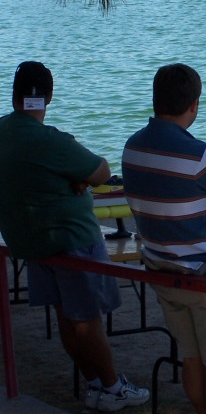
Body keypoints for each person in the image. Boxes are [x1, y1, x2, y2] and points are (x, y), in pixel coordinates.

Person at [0, 61, 149, 412]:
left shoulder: (4, 131)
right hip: (72, 239)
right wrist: (77, 179)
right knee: (86, 319)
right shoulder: (50, 141)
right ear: (49, 97)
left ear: (15, 94)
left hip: (32, 241)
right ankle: (113, 388)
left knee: (66, 316)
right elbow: (102, 172)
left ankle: (95, 383)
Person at [121, 63, 206, 414]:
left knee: (193, 357)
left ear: (156, 100)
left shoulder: (132, 148)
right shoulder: (201, 156)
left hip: (162, 270)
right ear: (194, 104)